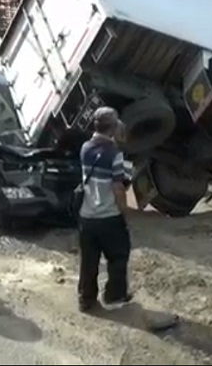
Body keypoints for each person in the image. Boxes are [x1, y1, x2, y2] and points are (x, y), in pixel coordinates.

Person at [77, 106, 132, 312]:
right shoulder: (115, 154)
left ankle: (86, 299)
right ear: (113, 128)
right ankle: (114, 295)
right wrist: (124, 212)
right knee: (118, 256)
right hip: (109, 217)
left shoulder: (85, 148)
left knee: (88, 261)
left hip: (86, 216)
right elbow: (118, 187)